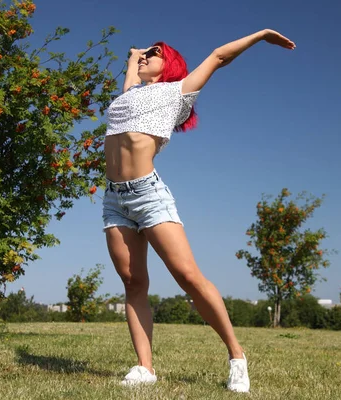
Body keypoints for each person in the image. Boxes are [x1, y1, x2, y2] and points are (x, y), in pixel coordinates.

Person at [102, 29, 295, 392]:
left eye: (154, 53)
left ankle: (237, 356)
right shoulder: (128, 95)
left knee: (188, 277)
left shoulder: (177, 93)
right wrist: (134, 57)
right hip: (115, 200)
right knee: (133, 282)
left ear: (169, 65)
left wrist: (262, 35)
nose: (145, 57)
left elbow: (219, 56)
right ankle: (145, 367)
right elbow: (131, 74)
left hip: (148, 195)